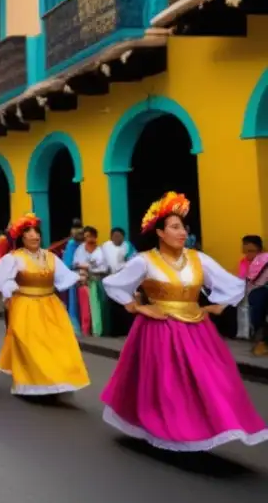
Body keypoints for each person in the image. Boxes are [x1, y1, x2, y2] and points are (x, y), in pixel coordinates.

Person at [100, 193, 267, 450]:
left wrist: (217, 306)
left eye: (183, 227)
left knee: (213, 379)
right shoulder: (145, 260)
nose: (182, 232)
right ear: (160, 232)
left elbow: (231, 284)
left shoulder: (199, 259)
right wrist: (139, 308)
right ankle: (170, 429)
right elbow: (114, 284)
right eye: (175, 227)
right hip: (159, 329)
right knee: (167, 384)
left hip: (197, 329)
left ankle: (208, 426)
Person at [0, 213, 89, 398]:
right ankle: (33, 384)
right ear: (22, 237)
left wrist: (79, 277)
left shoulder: (50, 257)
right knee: (32, 346)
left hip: (50, 306)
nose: (34, 236)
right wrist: (9, 291)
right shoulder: (14, 258)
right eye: (29, 233)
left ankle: (55, 381)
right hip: (25, 306)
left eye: (36, 233)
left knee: (58, 345)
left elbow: (64, 277)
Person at [72, 227, 110, 337]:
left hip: (97, 280)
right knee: (85, 308)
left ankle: (98, 332)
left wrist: (90, 268)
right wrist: (86, 268)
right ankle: (85, 331)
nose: (88, 239)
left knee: (98, 307)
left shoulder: (101, 250)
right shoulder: (80, 249)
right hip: (84, 281)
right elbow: (75, 263)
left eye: (90, 236)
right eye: (86, 236)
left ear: (95, 237)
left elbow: (105, 267)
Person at [242, 235, 268, 356]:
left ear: (259, 249)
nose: (248, 254)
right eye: (245, 251)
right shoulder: (247, 262)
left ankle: (262, 342)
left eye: (251, 251)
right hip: (255, 293)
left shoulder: (263, 259)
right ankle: (261, 342)